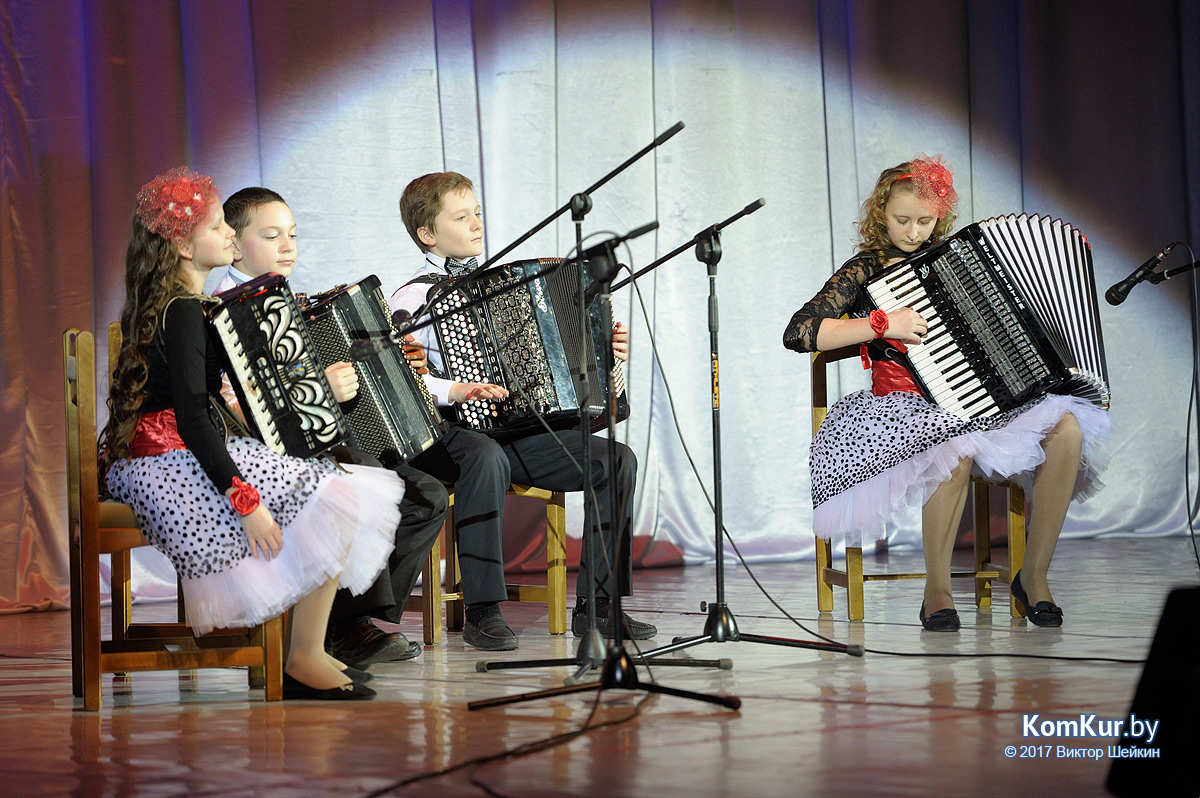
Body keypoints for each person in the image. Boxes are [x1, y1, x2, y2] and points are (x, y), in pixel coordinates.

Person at [101, 167, 399, 700]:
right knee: (337, 498)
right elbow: (193, 419)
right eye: (219, 228)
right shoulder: (186, 310)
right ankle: (303, 654)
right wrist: (244, 498)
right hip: (167, 459)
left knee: (333, 490)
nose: (231, 237)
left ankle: (306, 650)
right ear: (183, 245)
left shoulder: (184, 306)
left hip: (164, 453)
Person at [783, 154, 1110, 631]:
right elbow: (800, 332)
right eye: (901, 220)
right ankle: (937, 589)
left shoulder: (967, 262)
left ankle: (1034, 575)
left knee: (1068, 429)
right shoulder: (866, 269)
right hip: (901, 410)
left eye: (925, 221)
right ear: (880, 214)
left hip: (981, 404)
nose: (913, 232)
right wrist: (881, 323)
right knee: (951, 444)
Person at [388, 171, 654, 651]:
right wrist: (457, 389)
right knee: (485, 457)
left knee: (615, 461)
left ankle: (599, 607)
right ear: (427, 234)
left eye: (477, 213)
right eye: (460, 216)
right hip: (446, 435)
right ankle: (483, 610)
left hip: (511, 431)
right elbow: (405, 380)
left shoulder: (500, 284)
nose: (475, 223)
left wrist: (605, 351)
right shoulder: (412, 298)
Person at [214, 187, 449, 668]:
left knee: (425, 494)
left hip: (317, 444)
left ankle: (348, 620)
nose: (288, 246)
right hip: (262, 455)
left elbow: (316, 365)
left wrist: (385, 358)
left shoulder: (287, 302)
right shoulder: (221, 309)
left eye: (293, 235)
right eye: (272, 235)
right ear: (235, 245)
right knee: (366, 485)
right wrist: (323, 387)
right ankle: (342, 628)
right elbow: (239, 403)